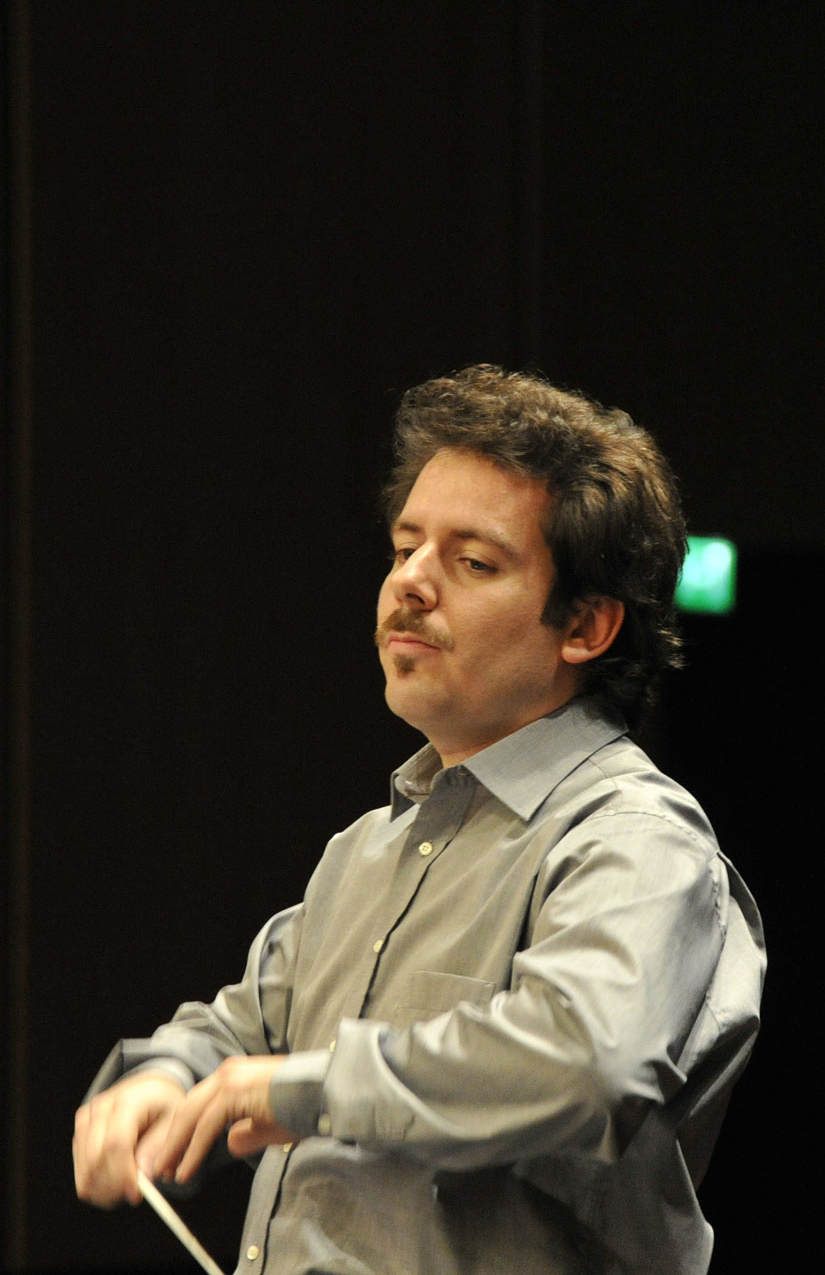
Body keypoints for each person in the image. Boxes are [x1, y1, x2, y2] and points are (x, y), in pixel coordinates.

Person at [73, 366, 765, 1275]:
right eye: (406, 548)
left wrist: (302, 1091)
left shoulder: (633, 836)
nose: (412, 583)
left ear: (586, 628)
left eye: (473, 563)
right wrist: (164, 1078)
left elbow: (584, 1063)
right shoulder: (366, 849)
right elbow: (246, 1033)